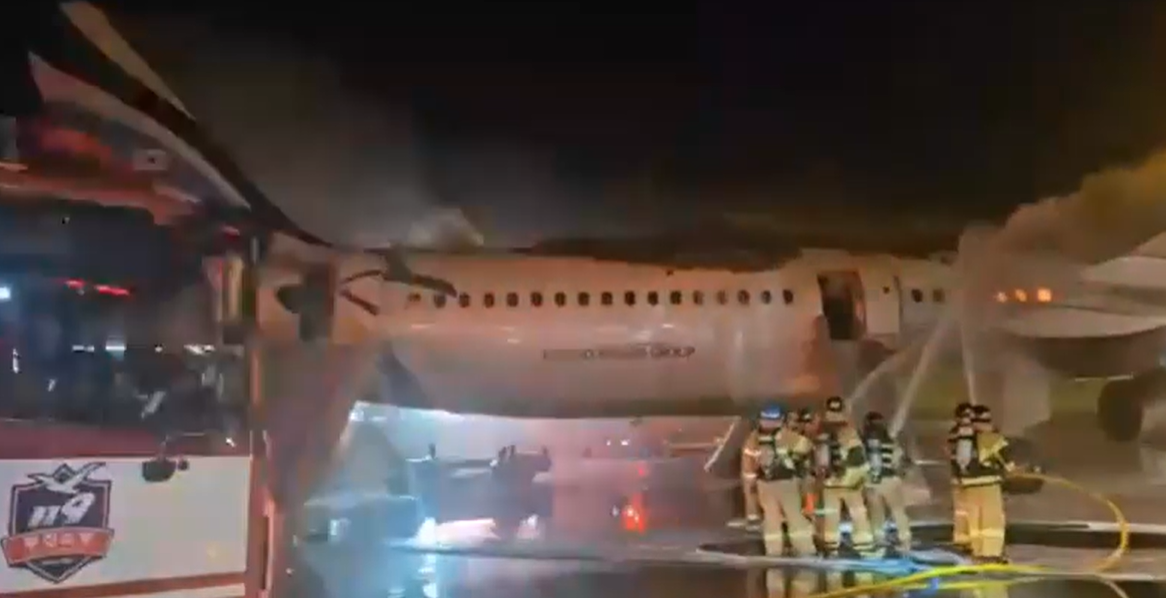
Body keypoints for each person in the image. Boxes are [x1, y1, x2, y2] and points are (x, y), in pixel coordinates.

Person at [814, 395, 876, 557]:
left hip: (829, 484)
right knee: (858, 515)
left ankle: (831, 549)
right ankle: (864, 547)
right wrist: (864, 477)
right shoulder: (849, 432)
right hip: (850, 484)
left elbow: (816, 459)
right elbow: (858, 458)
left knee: (831, 517)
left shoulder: (820, 433)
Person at [754, 406, 817, 556]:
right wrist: (796, 460)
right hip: (786, 484)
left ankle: (773, 553)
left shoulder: (754, 437)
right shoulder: (786, 435)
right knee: (795, 518)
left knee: (771, 521)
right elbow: (807, 447)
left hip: (764, 485)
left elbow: (749, 463)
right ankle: (805, 551)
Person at [961, 404, 1015, 563]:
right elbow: (1009, 463)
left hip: (969, 486)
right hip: (989, 485)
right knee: (992, 521)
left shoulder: (962, 439)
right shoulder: (994, 439)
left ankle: (977, 551)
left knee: (975, 521)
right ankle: (992, 553)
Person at [861, 411, 912, 554]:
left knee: (876, 513)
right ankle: (905, 542)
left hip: (871, 482)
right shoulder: (890, 441)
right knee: (898, 511)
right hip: (890, 480)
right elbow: (902, 461)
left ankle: (879, 542)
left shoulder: (862, 441)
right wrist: (901, 474)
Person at [948, 402, 975, 553]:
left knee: (966, 510)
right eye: (965, 415)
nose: (968, 418)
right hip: (962, 477)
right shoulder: (961, 432)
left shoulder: (956, 432)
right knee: (962, 510)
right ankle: (964, 540)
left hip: (968, 478)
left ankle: (967, 540)